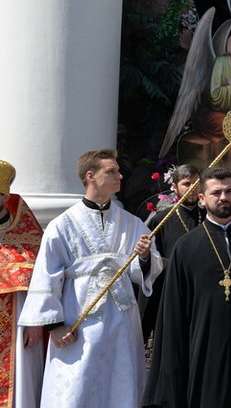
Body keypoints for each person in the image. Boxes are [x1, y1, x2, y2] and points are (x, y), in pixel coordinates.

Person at [18, 149, 163, 407]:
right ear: (91, 176)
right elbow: (46, 276)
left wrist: (143, 257)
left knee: (120, 385)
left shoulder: (131, 223)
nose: (120, 175)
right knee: (76, 386)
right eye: (111, 171)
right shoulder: (62, 225)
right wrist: (55, 326)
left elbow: (148, 268)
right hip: (78, 321)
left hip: (121, 321)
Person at [143, 166, 231, 407]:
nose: (223, 197)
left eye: (229, 191)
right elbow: (175, 311)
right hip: (203, 345)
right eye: (216, 192)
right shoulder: (186, 247)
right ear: (202, 198)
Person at [139, 164, 202, 343]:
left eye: (197, 183)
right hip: (171, 292)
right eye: (186, 183)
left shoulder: (208, 217)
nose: (192, 188)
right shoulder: (161, 220)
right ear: (174, 187)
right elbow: (150, 261)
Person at [0, 159, 44, 407]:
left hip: (19, 322)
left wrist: (36, 323)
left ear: (5, 197)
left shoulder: (29, 235)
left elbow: (43, 283)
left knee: (21, 387)